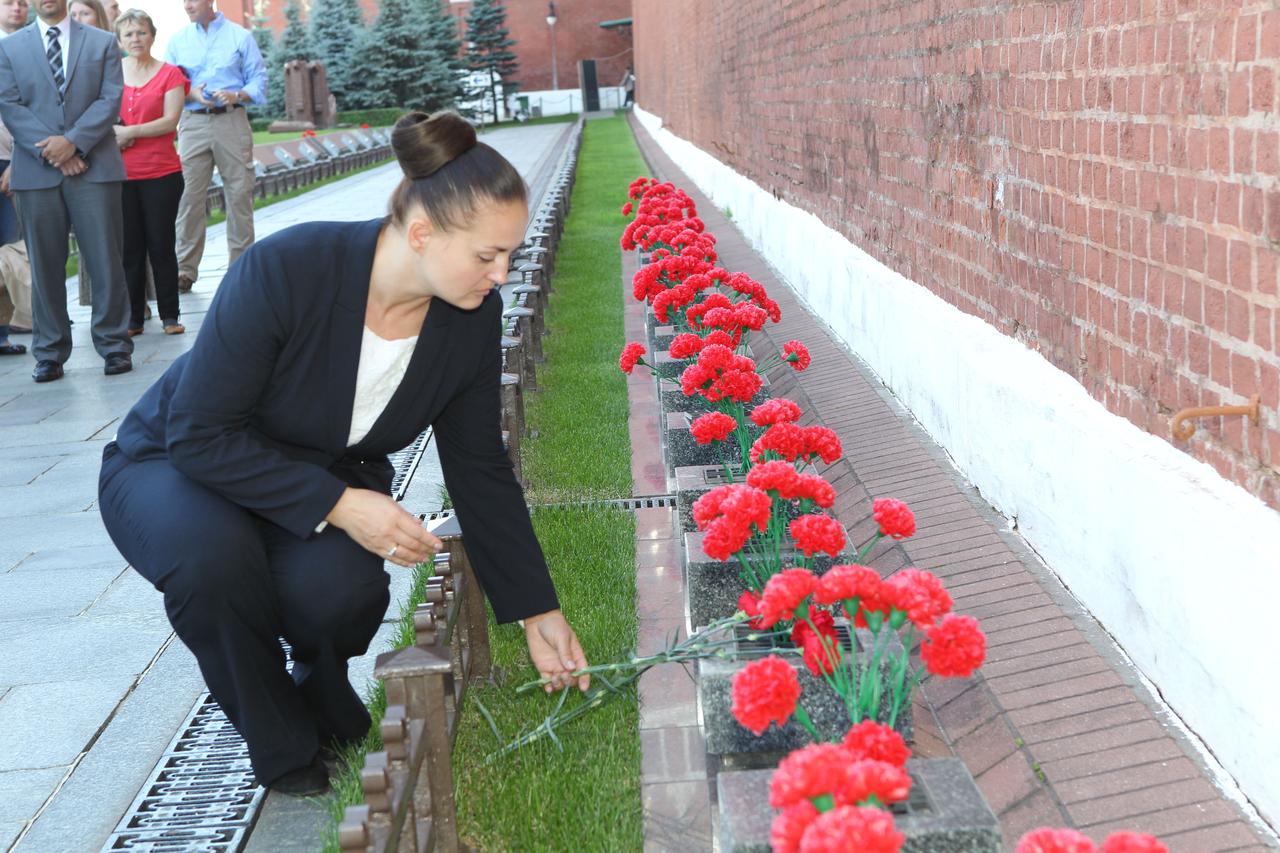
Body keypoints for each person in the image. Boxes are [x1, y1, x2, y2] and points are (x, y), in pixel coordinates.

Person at [98, 111, 590, 796]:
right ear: (421, 233)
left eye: (509, 254)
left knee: (346, 590)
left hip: (307, 476)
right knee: (215, 560)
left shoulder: (468, 322)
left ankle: (320, 687)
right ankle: (279, 742)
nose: (501, 274)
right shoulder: (289, 267)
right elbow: (199, 433)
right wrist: (338, 502)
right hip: (175, 463)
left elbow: (480, 469)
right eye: (486, 255)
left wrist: (541, 611)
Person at [0, 0, 133, 382]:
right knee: (44, 266)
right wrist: (57, 151)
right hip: (36, 171)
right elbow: (9, 105)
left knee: (105, 260)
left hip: (95, 166)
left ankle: (114, 345)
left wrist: (74, 143)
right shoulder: (9, 47)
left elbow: (110, 99)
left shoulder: (103, 42)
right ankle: (49, 353)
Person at [165, 0, 265, 294]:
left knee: (239, 194)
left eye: (192, 0)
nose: (186, 5)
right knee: (188, 198)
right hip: (193, 123)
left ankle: (241, 268)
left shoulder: (240, 36)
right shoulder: (177, 40)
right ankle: (184, 270)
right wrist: (191, 91)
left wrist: (238, 94)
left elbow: (259, 77)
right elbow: (169, 82)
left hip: (231, 121)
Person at [114, 10, 186, 336]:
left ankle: (170, 315)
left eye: (141, 33)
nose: (135, 39)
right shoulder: (112, 74)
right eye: (128, 34)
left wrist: (130, 133)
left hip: (161, 174)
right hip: (121, 175)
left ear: (152, 36)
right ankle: (134, 319)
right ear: (119, 40)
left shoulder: (170, 74)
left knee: (160, 244)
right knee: (130, 249)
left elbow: (170, 121)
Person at [0, 0, 32, 349]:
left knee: (13, 247)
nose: (17, 8)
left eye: (23, 2)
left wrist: (16, 161)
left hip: (14, 159)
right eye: (9, 2)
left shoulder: (31, 50)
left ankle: (7, 329)